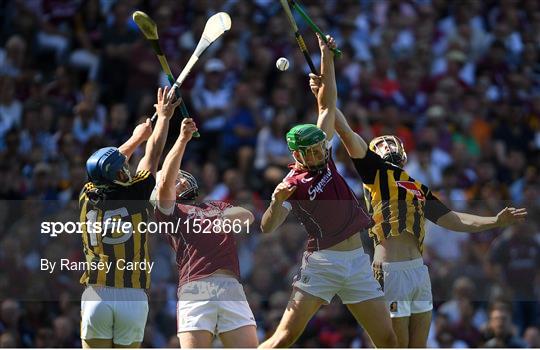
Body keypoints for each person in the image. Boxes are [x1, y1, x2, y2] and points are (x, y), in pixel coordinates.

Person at [310, 73, 528, 346]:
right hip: (391, 271)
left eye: (391, 142)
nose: (387, 145)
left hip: (418, 271)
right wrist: (324, 94)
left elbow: (454, 219)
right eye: (382, 143)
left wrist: (494, 221)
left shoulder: (417, 187)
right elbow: (343, 128)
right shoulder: (373, 172)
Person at [258, 35, 396, 348]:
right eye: (313, 152)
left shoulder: (326, 158)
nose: (321, 153)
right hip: (323, 264)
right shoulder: (294, 184)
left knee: (388, 340)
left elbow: (327, 104)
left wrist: (326, 55)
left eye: (321, 147)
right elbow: (267, 227)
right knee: (284, 338)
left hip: (358, 262)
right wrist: (275, 202)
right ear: (298, 155)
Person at [79, 87, 180, 348]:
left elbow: (101, 166)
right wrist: (164, 118)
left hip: (96, 295)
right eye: (124, 168)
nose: (128, 167)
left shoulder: (87, 194)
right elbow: (153, 154)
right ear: (121, 175)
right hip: (132, 297)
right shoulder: (136, 193)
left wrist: (134, 138)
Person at [153, 117, 258, 348]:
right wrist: (182, 139)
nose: (179, 179)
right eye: (172, 178)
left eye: (179, 176)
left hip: (231, 287)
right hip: (196, 287)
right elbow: (164, 186)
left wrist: (220, 217)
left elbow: (247, 216)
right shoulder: (170, 212)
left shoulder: (213, 205)